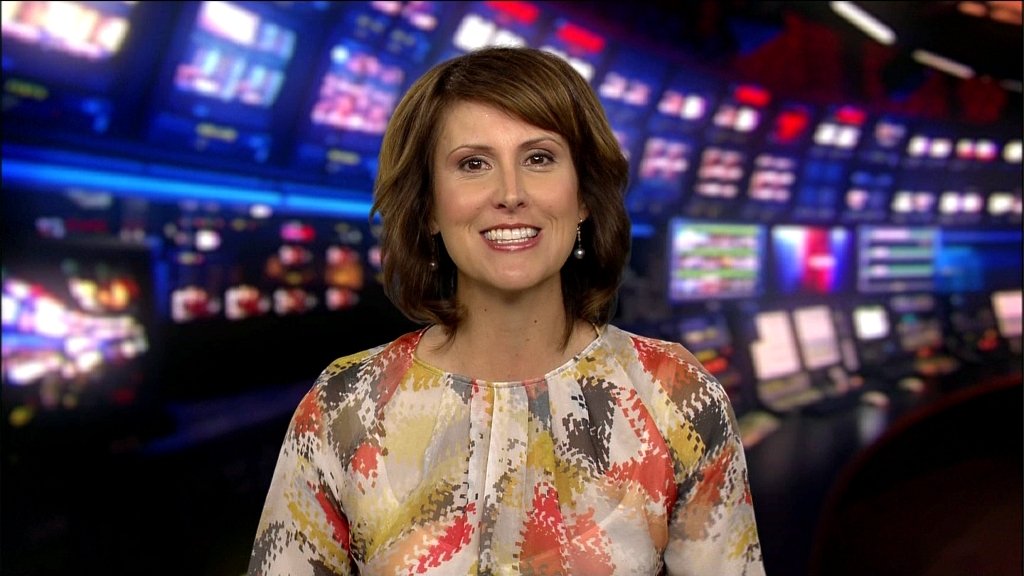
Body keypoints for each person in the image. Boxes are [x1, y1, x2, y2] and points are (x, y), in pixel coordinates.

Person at [247, 46, 765, 575]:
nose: (510, 194)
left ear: (583, 196)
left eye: (539, 158)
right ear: (429, 208)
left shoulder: (676, 398)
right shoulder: (343, 407)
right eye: (473, 164)